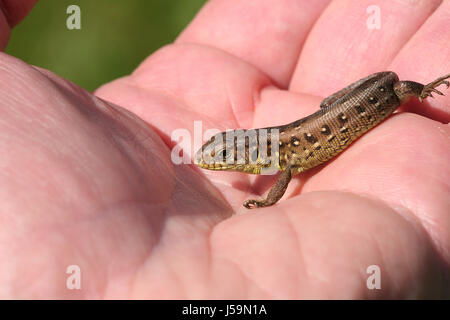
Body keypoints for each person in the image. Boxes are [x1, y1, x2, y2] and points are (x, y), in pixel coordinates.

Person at [0, 0, 449, 298]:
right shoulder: (279, 152)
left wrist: (267, 200)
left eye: (228, 155)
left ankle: (426, 86)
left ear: (249, 154)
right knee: (364, 94)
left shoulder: (282, 157)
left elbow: (283, 179)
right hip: (331, 115)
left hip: (364, 102)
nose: (219, 161)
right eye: (225, 153)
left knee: (393, 91)